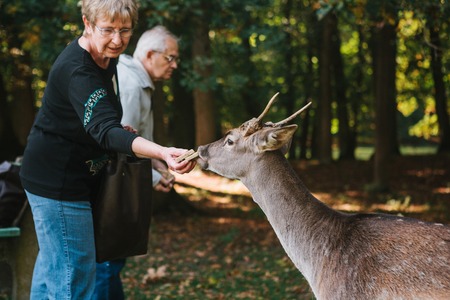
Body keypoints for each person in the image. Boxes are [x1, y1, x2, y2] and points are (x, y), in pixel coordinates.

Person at [18, 1, 195, 299]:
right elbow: (104, 130)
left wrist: (117, 130)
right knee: (74, 278)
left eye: (125, 30)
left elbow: (100, 121)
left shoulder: (107, 59)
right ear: (87, 24)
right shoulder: (78, 70)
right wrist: (163, 153)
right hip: (58, 183)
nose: (117, 39)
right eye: (108, 30)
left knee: (53, 272)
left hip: (73, 176)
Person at [94, 25, 181, 299]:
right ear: (150, 54)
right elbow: (121, 145)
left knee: (112, 261)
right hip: (111, 188)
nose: (175, 65)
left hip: (119, 185)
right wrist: (155, 178)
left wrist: (160, 168)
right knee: (107, 262)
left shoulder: (140, 83)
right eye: (170, 58)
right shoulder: (130, 86)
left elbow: (145, 141)